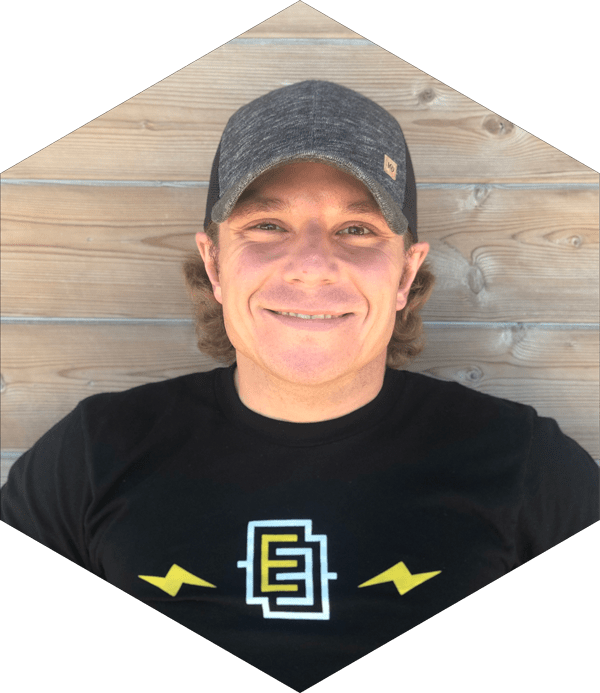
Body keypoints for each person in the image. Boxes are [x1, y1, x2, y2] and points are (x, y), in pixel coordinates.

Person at [2, 80, 598, 693]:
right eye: (267, 224)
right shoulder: (92, 454)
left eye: (357, 229)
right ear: (214, 264)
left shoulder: (525, 464)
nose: (312, 265)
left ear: (406, 273)